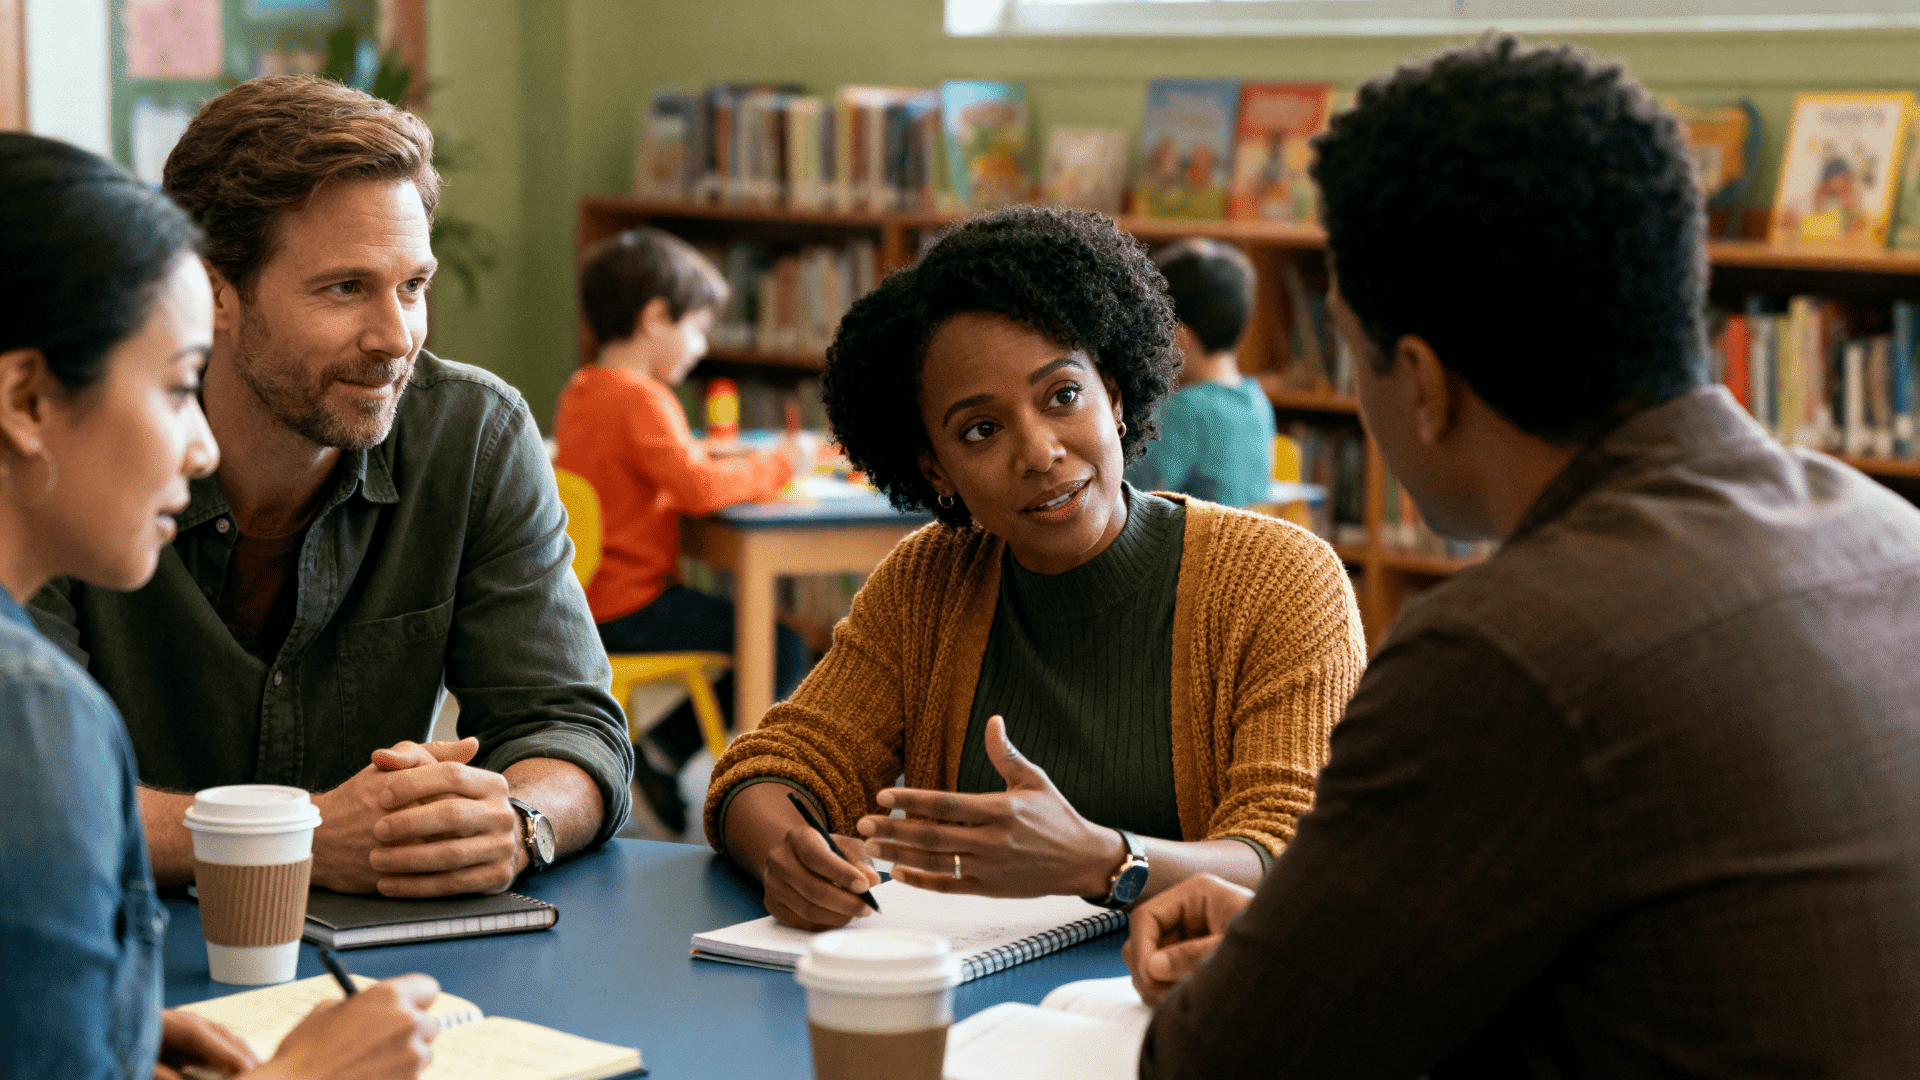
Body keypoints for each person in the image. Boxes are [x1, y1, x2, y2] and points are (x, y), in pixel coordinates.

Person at [1125, 37, 1920, 1077]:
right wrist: (1313, 940)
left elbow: (1221, 1063)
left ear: (1418, 378)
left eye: (1352, 350)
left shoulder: (1508, 652)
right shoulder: (1886, 532)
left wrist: (1271, 974)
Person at [29, 75, 633, 899]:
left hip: (387, 960)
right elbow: (24, 789)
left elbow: (569, 725)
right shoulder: (74, 445)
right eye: (345, 288)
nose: (397, 338)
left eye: (413, 286)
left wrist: (516, 823)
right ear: (213, 293)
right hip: (123, 939)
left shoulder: (473, 435)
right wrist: (299, 837)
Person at [704, 207, 1367, 931]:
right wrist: (787, 854)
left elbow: (1296, 853)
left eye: (1063, 396)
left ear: (1114, 395)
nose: (1038, 450)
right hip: (976, 1008)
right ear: (937, 470)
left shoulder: (1281, 578)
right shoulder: (928, 583)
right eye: (981, 430)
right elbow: (774, 768)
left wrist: (1103, 861)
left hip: (1194, 1002)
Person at [0, 131, 442, 1080]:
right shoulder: (27, 710)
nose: (200, 450)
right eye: (172, 388)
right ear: (27, 398)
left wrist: (102, 1033)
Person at [554, 227, 803, 834]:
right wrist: (779, 464)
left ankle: (658, 756)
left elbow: (662, 471)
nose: (702, 345)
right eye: (696, 326)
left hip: (585, 595)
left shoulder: (583, 389)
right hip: (628, 602)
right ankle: (682, 763)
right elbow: (695, 488)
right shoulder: (643, 396)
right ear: (655, 317)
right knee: (782, 644)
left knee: (748, 633)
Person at [1124, 238, 1275, 505]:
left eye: (1154, 334)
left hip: (1196, 545)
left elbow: (1131, 496)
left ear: (1181, 339)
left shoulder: (1184, 410)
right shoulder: (1256, 401)